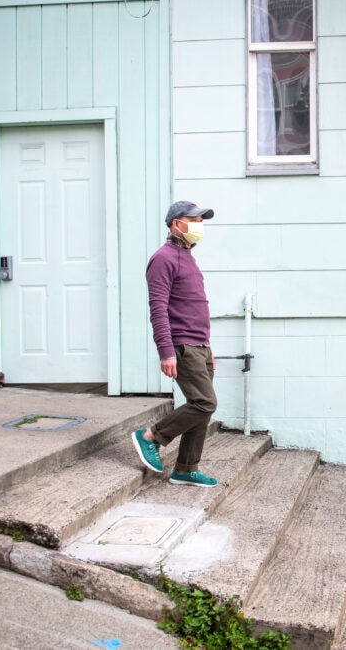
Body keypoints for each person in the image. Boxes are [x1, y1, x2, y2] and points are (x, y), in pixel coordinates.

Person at [131, 201, 218, 487]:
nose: (198, 225)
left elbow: (194, 306)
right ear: (175, 224)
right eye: (192, 219)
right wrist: (166, 351)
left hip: (200, 346)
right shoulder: (163, 259)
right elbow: (158, 308)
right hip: (183, 345)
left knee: (200, 408)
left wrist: (208, 347)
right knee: (205, 403)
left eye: (201, 220)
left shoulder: (188, 258)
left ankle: (186, 468)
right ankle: (150, 436)